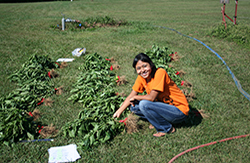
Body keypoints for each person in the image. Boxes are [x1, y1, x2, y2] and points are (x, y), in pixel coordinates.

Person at [113, 53, 190, 137]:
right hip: (164, 108)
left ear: (151, 64)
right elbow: (131, 96)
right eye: (139, 68)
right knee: (133, 106)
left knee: (144, 104)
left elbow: (151, 98)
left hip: (178, 111)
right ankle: (157, 121)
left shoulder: (160, 73)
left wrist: (135, 97)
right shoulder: (141, 78)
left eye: (145, 66)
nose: (142, 70)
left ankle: (166, 128)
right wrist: (118, 112)